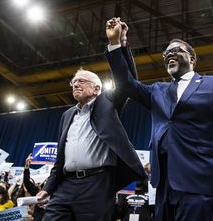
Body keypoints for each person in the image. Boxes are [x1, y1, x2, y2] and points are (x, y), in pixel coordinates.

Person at [105, 17, 213, 221]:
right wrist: (117, 43)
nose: (169, 55)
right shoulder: (157, 90)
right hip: (163, 185)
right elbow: (127, 83)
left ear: (192, 59)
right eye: (166, 54)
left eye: (176, 51)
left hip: (199, 182)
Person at [36, 42, 146, 220]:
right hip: (66, 185)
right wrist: (47, 188)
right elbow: (60, 159)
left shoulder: (107, 104)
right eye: (74, 82)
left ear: (97, 89)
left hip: (97, 184)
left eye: (82, 81)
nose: (75, 85)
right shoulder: (67, 115)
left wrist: (118, 44)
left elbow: (127, 81)